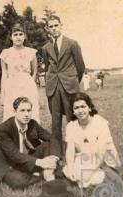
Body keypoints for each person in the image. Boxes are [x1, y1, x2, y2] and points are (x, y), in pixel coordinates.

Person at [0, 97, 58, 189]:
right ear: (14, 111)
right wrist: (41, 162)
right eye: (22, 110)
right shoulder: (3, 129)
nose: (26, 114)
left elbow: (51, 138)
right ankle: (43, 174)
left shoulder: (32, 124)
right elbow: (14, 155)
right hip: (10, 165)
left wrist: (57, 156)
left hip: (28, 160)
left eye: (29, 110)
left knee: (47, 145)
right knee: (19, 181)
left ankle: (47, 170)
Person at [42, 15, 85, 162]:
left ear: (61, 25)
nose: (54, 28)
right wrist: (51, 81)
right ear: (47, 29)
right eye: (51, 26)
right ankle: (56, 154)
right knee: (55, 122)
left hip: (70, 87)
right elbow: (48, 67)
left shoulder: (72, 43)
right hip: (53, 88)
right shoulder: (45, 48)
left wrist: (72, 80)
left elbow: (80, 66)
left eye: (56, 25)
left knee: (72, 119)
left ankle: (79, 150)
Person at [62, 92, 121, 188]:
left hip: (103, 159)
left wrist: (88, 173)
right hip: (84, 157)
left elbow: (102, 152)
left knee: (87, 176)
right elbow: (70, 151)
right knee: (70, 171)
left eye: (83, 106)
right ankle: (85, 179)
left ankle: (93, 177)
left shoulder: (100, 123)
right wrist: (71, 168)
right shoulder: (71, 126)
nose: (80, 110)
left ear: (89, 107)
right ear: (73, 111)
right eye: (76, 108)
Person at [0, 23, 40, 122]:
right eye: (15, 34)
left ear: (25, 36)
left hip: (27, 85)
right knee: (12, 112)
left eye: (21, 34)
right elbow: (4, 74)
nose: (18, 37)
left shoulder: (31, 52)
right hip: (12, 86)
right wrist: (2, 95)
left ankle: (31, 136)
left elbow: (34, 71)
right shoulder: (5, 53)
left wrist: (31, 84)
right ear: (11, 37)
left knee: (30, 111)